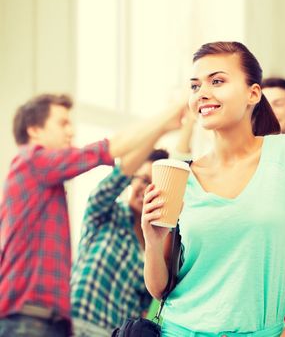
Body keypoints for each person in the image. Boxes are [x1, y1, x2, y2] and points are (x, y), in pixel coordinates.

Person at [142, 41, 285, 337]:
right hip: (179, 329)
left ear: (253, 93)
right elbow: (159, 288)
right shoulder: (183, 177)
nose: (202, 93)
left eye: (217, 81)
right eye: (194, 86)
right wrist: (152, 241)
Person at [0, 94, 184, 337]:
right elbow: (107, 150)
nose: (71, 131)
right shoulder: (30, 161)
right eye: (62, 123)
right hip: (31, 320)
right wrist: (170, 113)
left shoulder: (46, 182)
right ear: (34, 130)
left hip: (56, 322)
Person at [71, 149, 169, 336]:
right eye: (144, 179)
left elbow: (146, 304)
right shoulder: (106, 214)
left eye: (155, 185)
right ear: (131, 179)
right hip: (77, 324)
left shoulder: (157, 247)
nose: (148, 189)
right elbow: (107, 187)